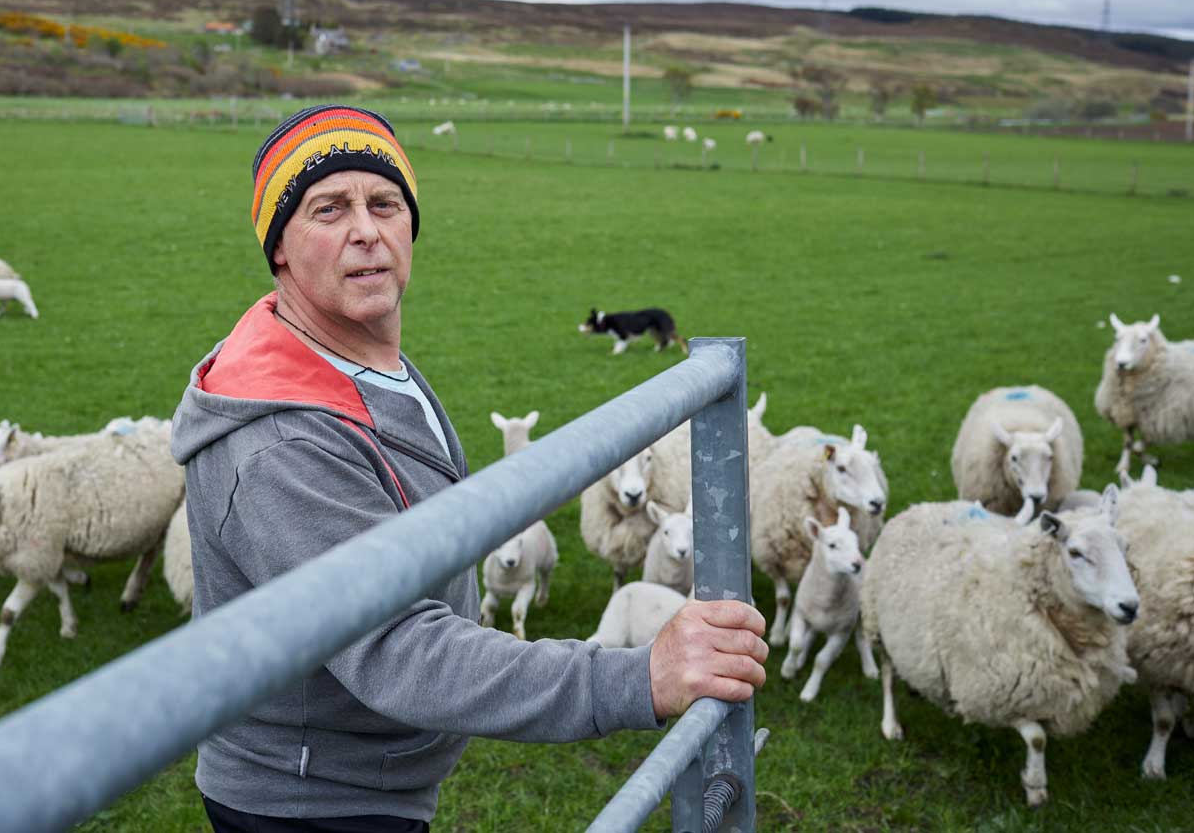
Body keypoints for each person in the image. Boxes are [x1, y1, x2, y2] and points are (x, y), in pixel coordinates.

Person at [171, 104, 767, 832]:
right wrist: (636, 676)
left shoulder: (362, 362)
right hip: (315, 802)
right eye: (327, 208)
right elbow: (400, 649)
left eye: (384, 203)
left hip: (368, 777)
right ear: (280, 251)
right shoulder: (282, 443)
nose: (366, 228)